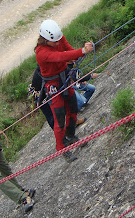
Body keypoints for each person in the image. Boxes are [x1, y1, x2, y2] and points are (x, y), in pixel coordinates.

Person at [35, 19, 93, 162]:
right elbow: (60, 56)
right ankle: (61, 148)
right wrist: (82, 51)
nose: (57, 43)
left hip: (64, 78)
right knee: (59, 118)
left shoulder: (58, 38)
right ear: (45, 39)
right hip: (53, 85)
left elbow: (69, 51)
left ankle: (71, 135)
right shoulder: (41, 52)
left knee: (73, 109)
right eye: (54, 42)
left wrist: (81, 52)